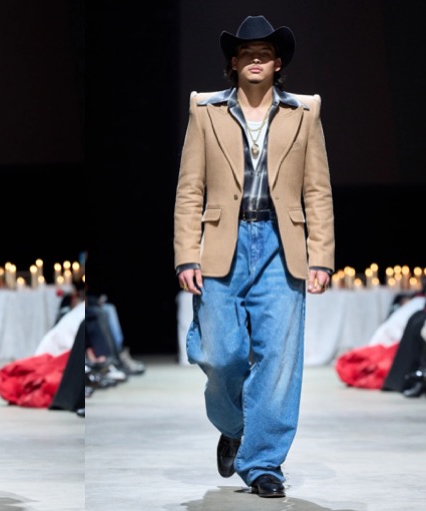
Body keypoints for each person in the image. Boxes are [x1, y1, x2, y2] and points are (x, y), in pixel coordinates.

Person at [174, 15, 335, 499]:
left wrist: (321, 257)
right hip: (221, 244)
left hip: (283, 245)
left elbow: (318, 190)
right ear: (234, 63)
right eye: (247, 53)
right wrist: (186, 255)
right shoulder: (205, 110)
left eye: (265, 53)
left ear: (278, 63)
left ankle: (264, 463)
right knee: (219, 355)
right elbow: (189, 189)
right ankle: (235, 426)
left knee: (279, 361)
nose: (256, 59)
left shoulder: (304, 112)